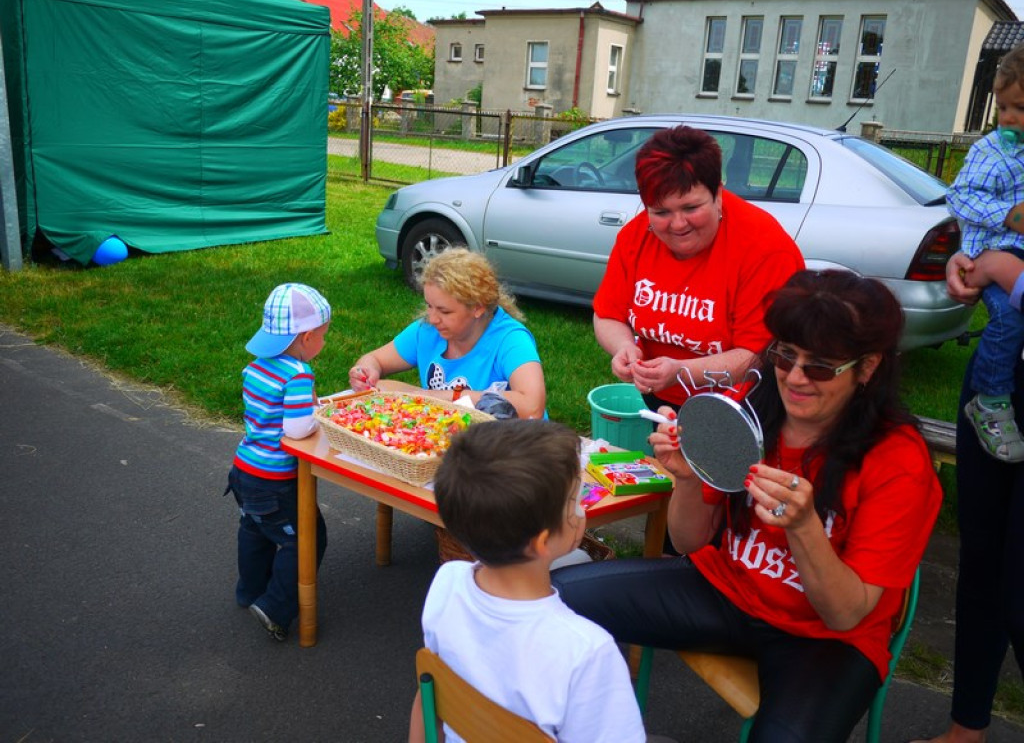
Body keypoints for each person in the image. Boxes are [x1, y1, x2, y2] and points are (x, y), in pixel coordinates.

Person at [554, 269, 942, 742]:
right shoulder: (747, 409)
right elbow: (691, 541)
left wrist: (804, 529)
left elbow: (846, 615)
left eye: (820, 366)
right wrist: (687, 477)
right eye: (784, 355)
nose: (795, 378)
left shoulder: (898, 462)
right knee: (551, 600)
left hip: (826, 640)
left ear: (867, 368)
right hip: (729, 589)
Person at [407, 419, 646, 743]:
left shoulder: (446, 584)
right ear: (542, 542)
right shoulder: (587, 653)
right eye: (576, 499)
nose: (582, 507)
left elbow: (427, 696)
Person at [593, 125, 804, 412]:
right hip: (660, 396)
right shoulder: (635, 236)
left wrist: (682, 372)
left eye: (691, 208)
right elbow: (607, 314)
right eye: (661, 212)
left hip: (741, 404)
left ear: (718, 193)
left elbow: (758, 356)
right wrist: (624, 348)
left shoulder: (765, 248)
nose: (678, 225)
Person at [909, 251, 1024, 743]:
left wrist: (1006, 271)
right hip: (1000, 384)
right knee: (981, 564)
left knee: (1019, 591)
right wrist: (974, 262)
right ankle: (966, 726)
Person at [226, 282, 331, 642]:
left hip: (243, 471)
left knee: (254, 530)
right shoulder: (298, 375)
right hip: (275, 479)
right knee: (304, 537)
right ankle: (276, 606)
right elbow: (298, 429)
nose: (323, 343)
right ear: (306, 338)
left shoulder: (255, 367)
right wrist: (319, 417)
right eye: (323, 336)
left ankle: (249, 591)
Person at [349, 248, 545, 420]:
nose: (432, 318)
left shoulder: (510, 339)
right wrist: (365, 371)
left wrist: (436, 397)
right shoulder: (427, 330)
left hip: (515, 448)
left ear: (477, 308)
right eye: (429, 305)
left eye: (444, 311)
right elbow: (375, 359)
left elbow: (532, 406)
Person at [946, 41, 1024, 462]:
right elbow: (959, 197)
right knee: (1009, 318)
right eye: (1003, 107)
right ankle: (991, 398)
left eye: (1021, 109)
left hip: (1011, 260)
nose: (1009, 119)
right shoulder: (990, 150)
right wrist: (1008, 215)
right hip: (994, 253)